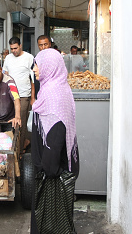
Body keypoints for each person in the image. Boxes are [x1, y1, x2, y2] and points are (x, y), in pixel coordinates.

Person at [30, 48, 80, 234]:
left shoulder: (53, 96)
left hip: (50, 174)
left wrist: (49, 170)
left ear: (49, 66)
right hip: (50, 169)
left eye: (38, 64)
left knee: (49, 222)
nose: (35, 69)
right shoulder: (57, 88)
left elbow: (56, 134)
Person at [3, 37, 35, 153]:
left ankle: (19, 151)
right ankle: (12, 148)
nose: (14, 51)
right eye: (11, 49)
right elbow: (5, 76)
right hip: (10, 96)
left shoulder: (29, 57)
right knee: (10, 123)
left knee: (20, 123)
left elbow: (33, 79)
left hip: (23, 96)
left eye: (15, 48)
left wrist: (32, 98)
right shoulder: (8, 58)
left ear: (20, 45)